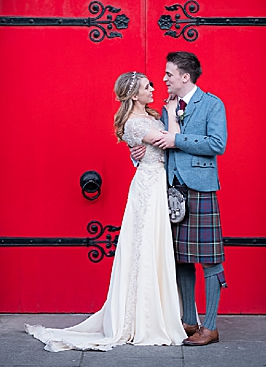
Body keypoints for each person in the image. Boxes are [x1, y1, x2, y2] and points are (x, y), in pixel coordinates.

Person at [25, 71, 187, 352]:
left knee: (156, 248)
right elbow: (171, 140)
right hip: (148, 188)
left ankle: (157, 312)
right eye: (147, 86)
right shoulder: (135, 122)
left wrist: (139, 152)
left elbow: (151, 150)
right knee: (145, 248)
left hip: (156, 182)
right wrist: (172, 112)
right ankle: (141, 319)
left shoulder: (148, 116)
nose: (152, 88)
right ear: (134, 95)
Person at [131, 51, 228, 346]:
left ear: (185, 77)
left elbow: (217, 144)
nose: (163, 79)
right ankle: (189, 320)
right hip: (169, 190)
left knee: (210, 259)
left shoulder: (212, 104)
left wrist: (177, 139)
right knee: (181, 259)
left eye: (169, 74)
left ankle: (209, 327)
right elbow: (155, 142)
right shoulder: (165, 108)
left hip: (200, 187)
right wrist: (139, 154)